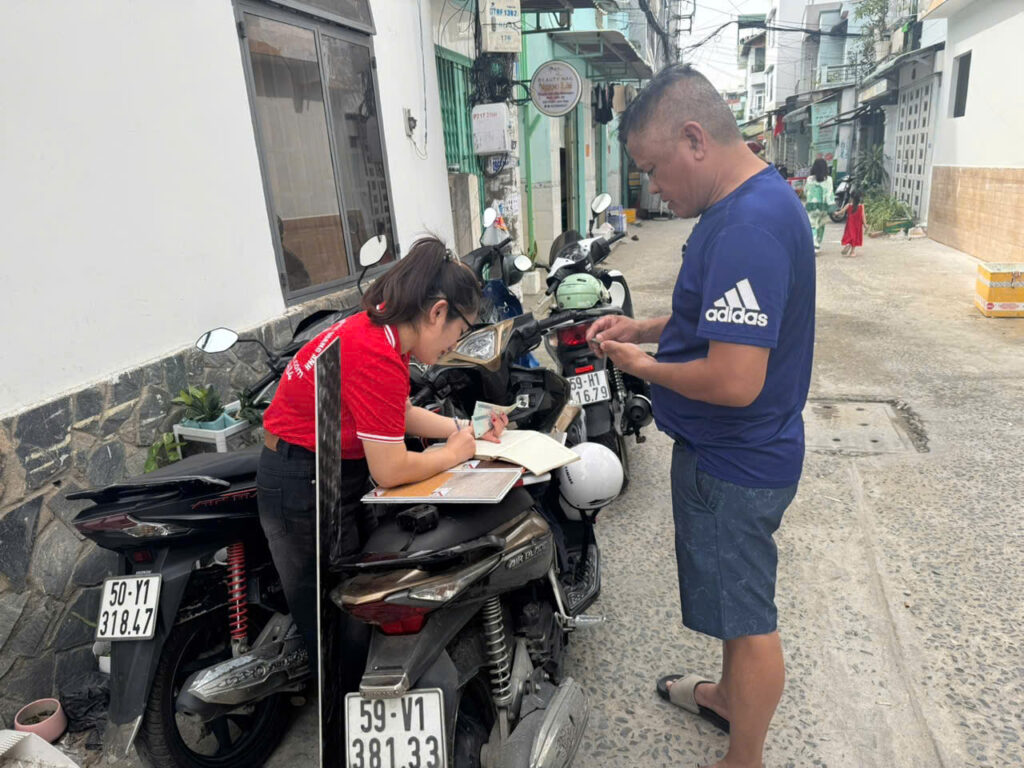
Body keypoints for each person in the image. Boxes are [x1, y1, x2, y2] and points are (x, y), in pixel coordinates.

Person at [586, 64, 815, 768]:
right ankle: (725, 698)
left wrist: (644, 370)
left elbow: (734, 378)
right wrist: (645, 328)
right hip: (742, 453)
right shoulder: (746, 207)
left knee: (749, 623)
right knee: (734, 605)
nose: (653, 187)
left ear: (693, 140)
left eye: (653, 169)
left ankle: (743, 757)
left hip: (735, 460)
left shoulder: (747, 225)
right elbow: (713, 322)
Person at [256, 236, 508, 675]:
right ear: (437, 312)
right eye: (460, 332)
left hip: (323, 472)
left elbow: (395, 412)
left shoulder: (377, 332)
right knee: (336, 629)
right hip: (305, 483)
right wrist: (453, 453)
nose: (454, 345)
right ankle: (342, 723)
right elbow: (390, 469)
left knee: (364, 594)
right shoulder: (377, 351)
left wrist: (463, 429)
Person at [804, 157, 835, 251]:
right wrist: (832, 208)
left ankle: (813, 244)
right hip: (823, 206)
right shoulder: (829, 179)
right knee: (821, 226)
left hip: (811, 206)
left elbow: (806, 191)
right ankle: (817, 243)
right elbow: (830, 194)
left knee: (812, 225)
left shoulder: (809, 179)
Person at [839, 190, 865, 257]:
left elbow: (841, 212)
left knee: (850, 235)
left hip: (850, 225)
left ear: (851, 197)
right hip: (858, 225)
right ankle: (852, 252)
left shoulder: (848, 205)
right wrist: (865, 224)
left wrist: (836, 213)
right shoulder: (861, 206)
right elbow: (863, 216)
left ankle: (848, 244)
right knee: (855, 237)